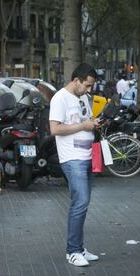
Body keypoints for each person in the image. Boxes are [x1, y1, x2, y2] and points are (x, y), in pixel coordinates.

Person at [49, 63, 100, 267]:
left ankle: (79, 247)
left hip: (87, 155)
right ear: (76, 80)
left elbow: (84, 120)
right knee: (80, 202)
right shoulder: (60, 98)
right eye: (87, 85)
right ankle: (73, 250)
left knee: (83, 203)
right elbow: (54, 129)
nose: (89, 90)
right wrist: (84, 125)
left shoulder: (83, 98)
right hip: (72, 158)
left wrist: (93, 123)